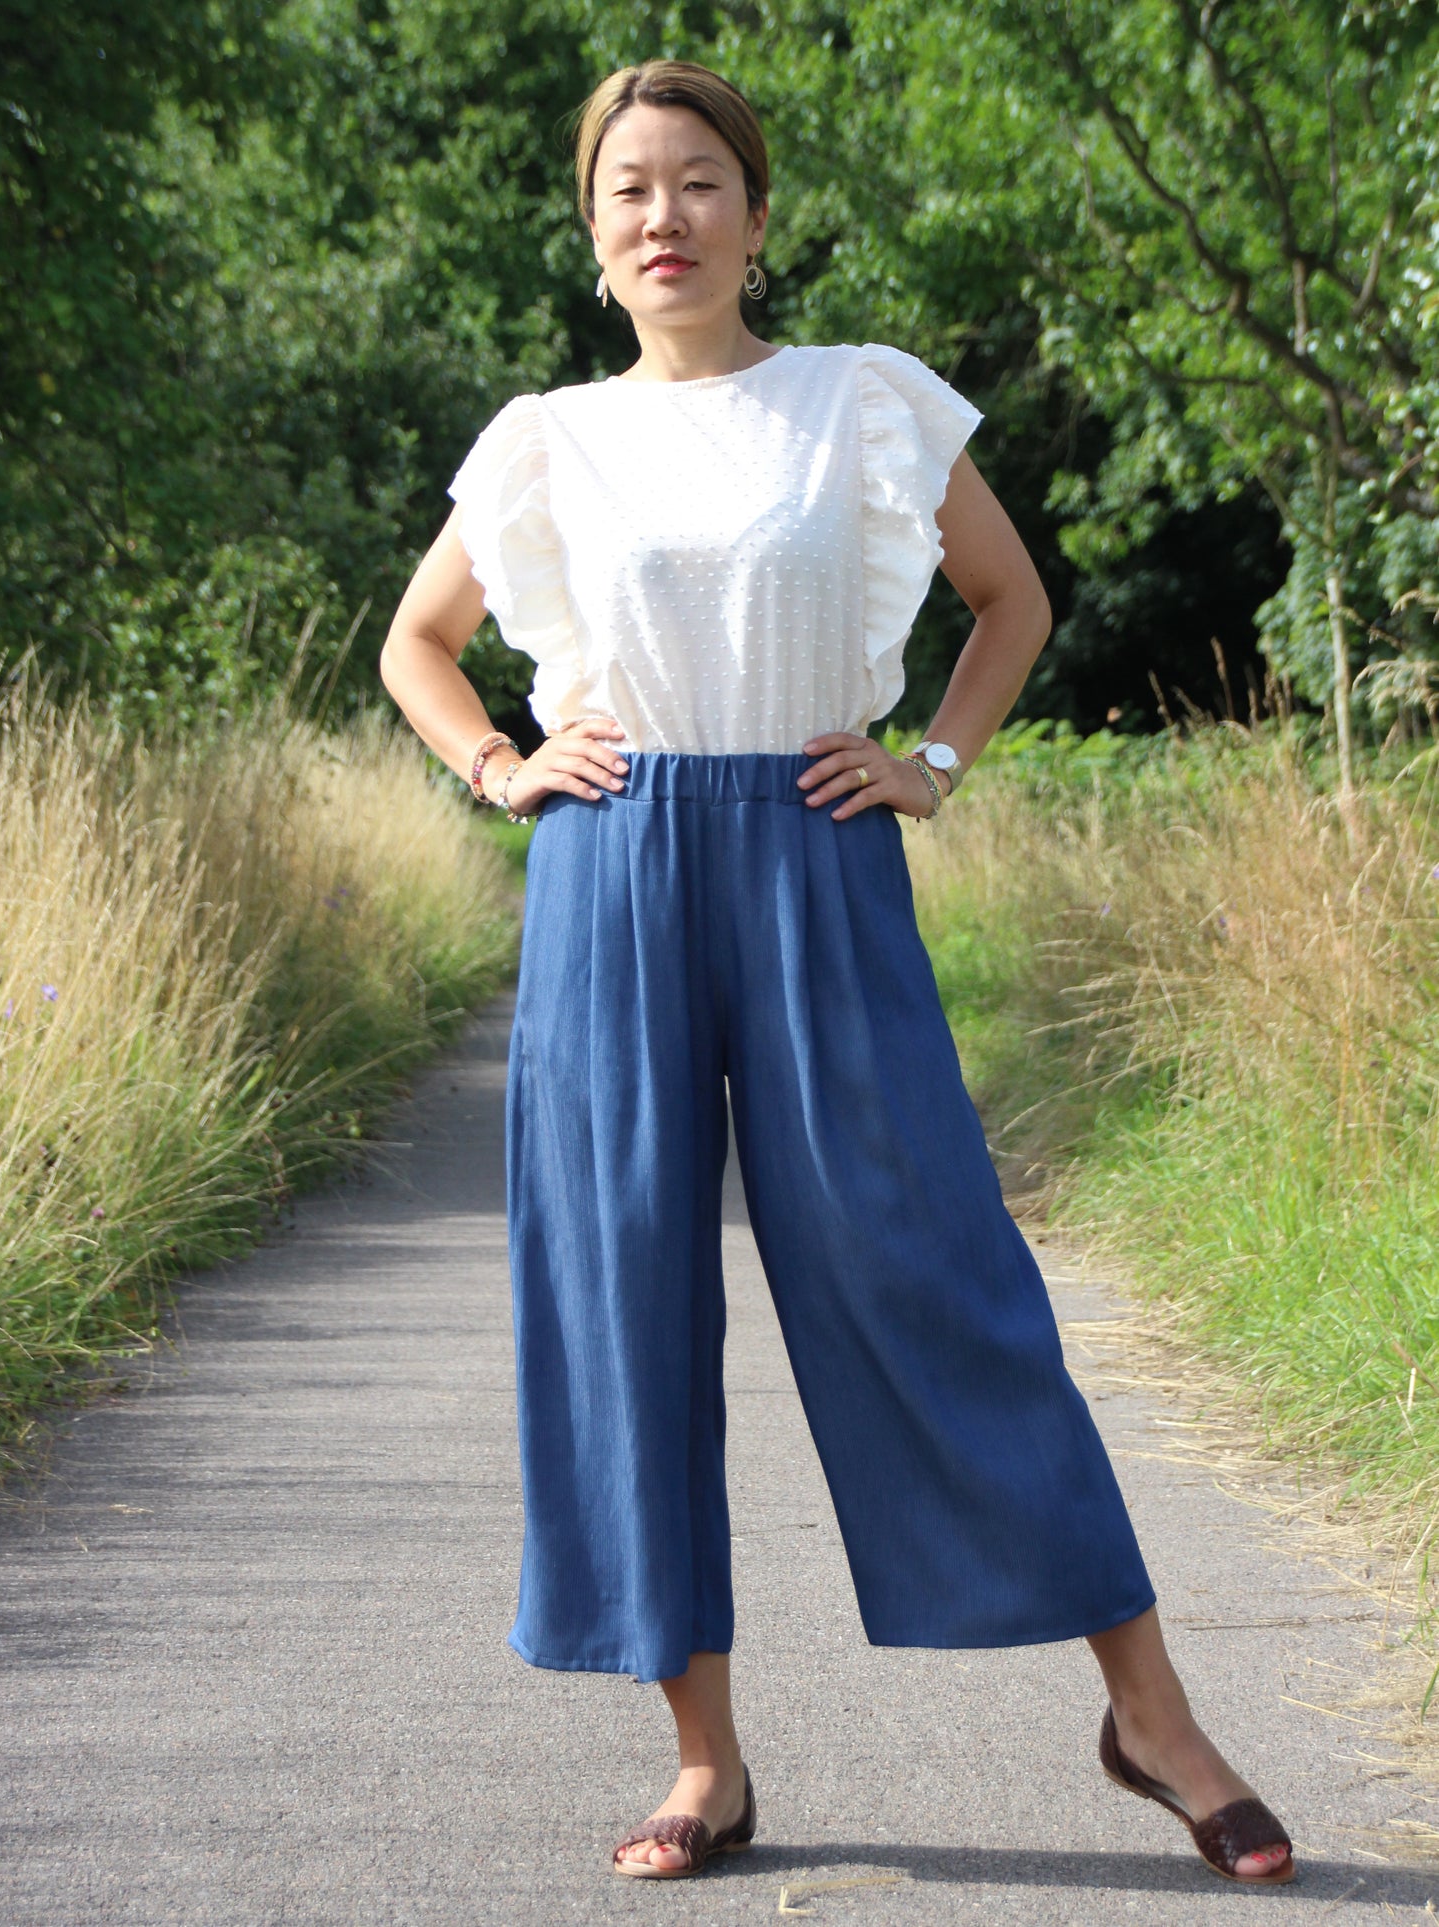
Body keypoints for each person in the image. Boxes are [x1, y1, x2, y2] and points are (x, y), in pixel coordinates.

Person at [378, 58, 1294, 1888]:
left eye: (698, 182)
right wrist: (499, 766)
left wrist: (933, 764)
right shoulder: (545, 436)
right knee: (622, 1303)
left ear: (755, 216)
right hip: (611, 868)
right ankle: (704, 1764)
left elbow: (1011, 601)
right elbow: (418, 639)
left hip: (816, 850)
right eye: (628, 189)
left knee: (934, 1266)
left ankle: (1153, 1720)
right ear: (590, 233)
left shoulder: (861, 401)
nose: (663, 216)